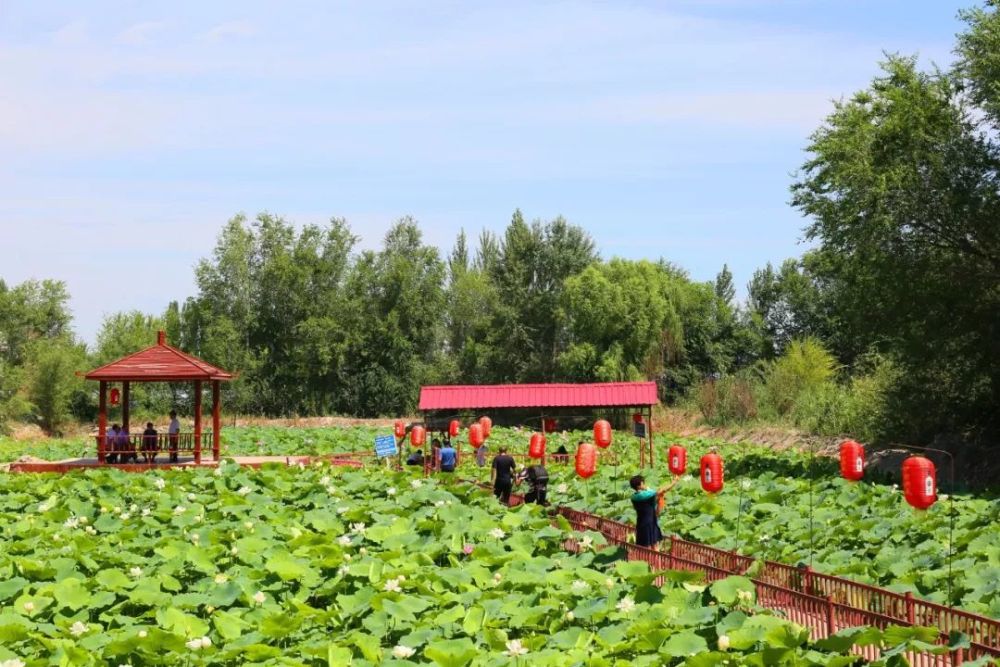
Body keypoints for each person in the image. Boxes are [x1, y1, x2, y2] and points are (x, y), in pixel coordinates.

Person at [629, 474, 679, 550]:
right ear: (639, 485)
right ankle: (655, 561)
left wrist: (647, 489)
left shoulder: (633, 497)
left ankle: (647, 561)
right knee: (654, 546)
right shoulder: (644, 495)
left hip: (641, 523)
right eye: (643, 483)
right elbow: (661, 491)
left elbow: (652, 494)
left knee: (645, 546)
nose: (644, 485)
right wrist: (674, 482)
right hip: (650, 523)